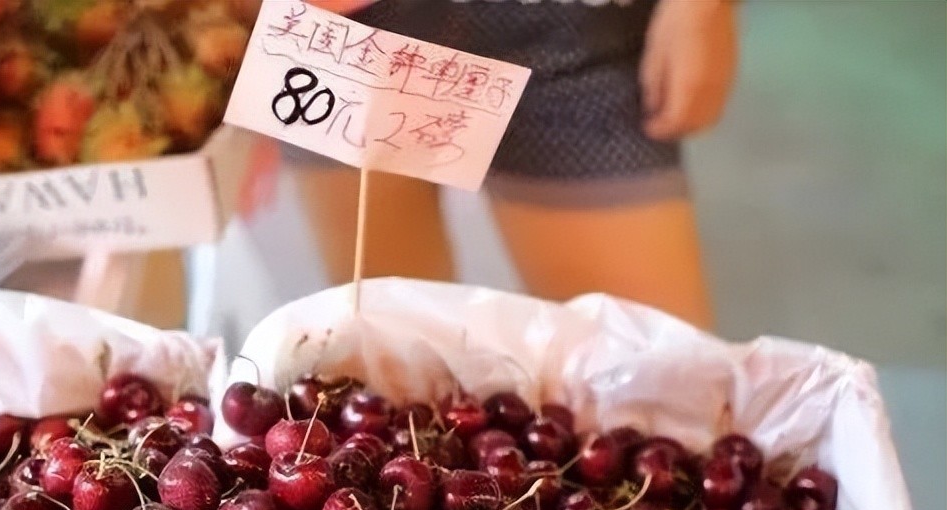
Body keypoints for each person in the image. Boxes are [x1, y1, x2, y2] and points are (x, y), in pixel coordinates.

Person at [269, 0, 738, 329]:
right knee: (383, 359)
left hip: (578, 22)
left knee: (658, 387)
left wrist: (703, 6)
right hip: (344, 30)